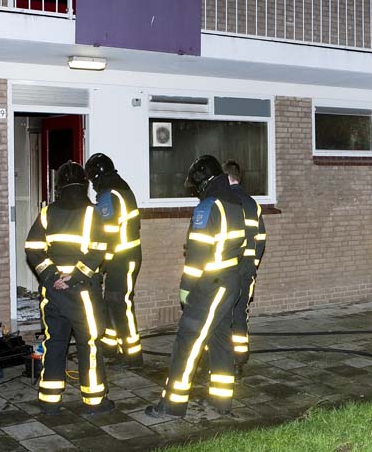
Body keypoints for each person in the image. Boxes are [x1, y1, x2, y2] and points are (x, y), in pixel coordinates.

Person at [145, 155, 246, 418]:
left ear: (203, 182)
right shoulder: (234, 203)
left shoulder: (207, 207)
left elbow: (197, 255)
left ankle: (172, 404)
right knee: (220, 339)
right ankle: (221, 401)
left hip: (209, 284)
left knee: (188, 340)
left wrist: (186, 287)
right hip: (230, 279)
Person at [24, 161, 113, 415]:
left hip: (53, 292)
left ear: (60, 185)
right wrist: (73, 277)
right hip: (83, 291)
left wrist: (52, 275)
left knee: (55, 342)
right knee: (89, 343)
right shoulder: (92, 213)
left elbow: (32, 248)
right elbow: (99, 250)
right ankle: (95, 401)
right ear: (84, 184)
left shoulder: (47, 212)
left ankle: (49, 400)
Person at [85, 153, 144, 369]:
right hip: (122, 258)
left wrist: (98, 263)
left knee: (121, 305)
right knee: (111, 302)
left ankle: (133, 357)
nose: (92, 184)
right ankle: (110, 348)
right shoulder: (121, 189)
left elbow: (106, 233)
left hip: (123, 259)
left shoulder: (110, 195)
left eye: (92, 179)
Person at [222, 159, 266, 373]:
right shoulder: (252, 203)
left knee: (224, 313)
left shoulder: (223, 201)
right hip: (247, 267)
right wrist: (253, 263)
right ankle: (240, 357)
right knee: (240, 312)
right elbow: (261, 238)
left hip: (228, 267)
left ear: (225, 177)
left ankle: (223, 359)